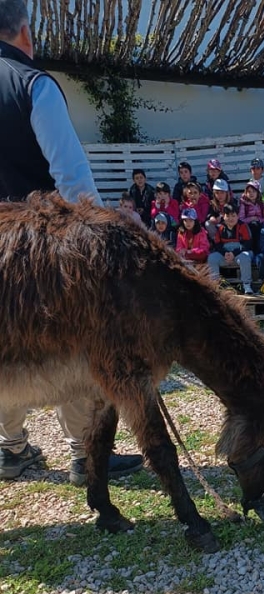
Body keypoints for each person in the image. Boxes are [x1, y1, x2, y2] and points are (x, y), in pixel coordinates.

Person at [0, 0, 142, 484]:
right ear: (25, 31)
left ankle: (12, 450)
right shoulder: (33, 85)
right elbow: (73, 180)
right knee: (77, 341)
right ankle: (84, 455)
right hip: (38, 248)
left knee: (4, 348)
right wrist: (103, 242)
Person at [207, 204, 254, 294]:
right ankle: (215, 285)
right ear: (223, 216)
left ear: (238, 216)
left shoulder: (243, 226)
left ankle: (246, 285)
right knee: (212, 258)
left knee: (245, 257)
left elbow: (247, 243)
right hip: (225, 255)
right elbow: (217, 244)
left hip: (240, 253)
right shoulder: (220, 228)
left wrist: (234, 253)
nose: (230, 218)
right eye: (227, 216)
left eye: (233, 216)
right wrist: (225, 253)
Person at [238, 179, 264, 255]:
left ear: (257, 193)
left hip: (259, 225)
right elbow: (241, 219)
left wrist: (258, 219)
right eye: (249, 192)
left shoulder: (261, 204)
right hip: (248, 226)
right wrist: (252, 219)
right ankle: (254, 250)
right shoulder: (243, 204)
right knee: (254, 225)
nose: (251, 194)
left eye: (253, 191)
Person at [205, 178, 232, 242]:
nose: (220, 195)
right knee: (208, 223)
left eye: (222, 192)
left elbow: (233, 215)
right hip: (216, 226)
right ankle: (216, 241)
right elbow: (209, 213)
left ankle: (227, 240)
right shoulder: (212, 203)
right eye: (217, 193)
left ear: (226, 193)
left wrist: (222, 218)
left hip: (228, 225)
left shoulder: (231, 203)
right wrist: (211, 217)